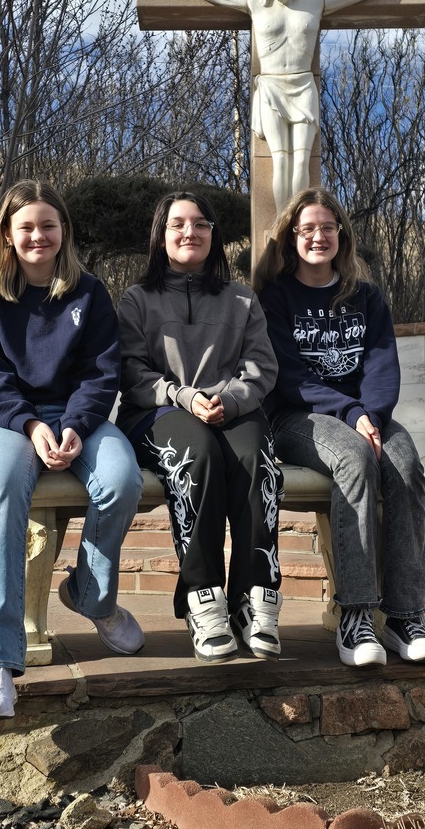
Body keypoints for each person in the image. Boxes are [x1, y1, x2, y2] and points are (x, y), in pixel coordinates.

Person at [0, 180, 144, 725]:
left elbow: (100, 372)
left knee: (122, 478)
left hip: (77, 418)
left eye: (48, 225)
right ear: (8, 236)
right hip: (5, 419)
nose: (38, 235)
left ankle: (91, 597)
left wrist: (76, 425)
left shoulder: (89, 293)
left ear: (63, 231)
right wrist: (31, 424)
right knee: (4, 488)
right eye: (26, 227)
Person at [254, 187, 425, 667]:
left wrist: (371, 415)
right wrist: (352, 414)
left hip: (367, 415)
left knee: (406, 466)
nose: (319, 236)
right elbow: (288, 375)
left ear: (342, 233)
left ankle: (404, 616)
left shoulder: (366, 296)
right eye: (308, 228)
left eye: (328, 227)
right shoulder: (274, 297)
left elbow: (382, 366)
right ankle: (355, 614)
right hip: (296, 416)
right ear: (291, 237)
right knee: (354, 460)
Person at [116, 191, 284, 663]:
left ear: (214, 235)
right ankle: (203, 597)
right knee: (196, 454)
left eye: (201, 224)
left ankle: (256, 598)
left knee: (260, 461)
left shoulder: (241, 299)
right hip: (156, 412)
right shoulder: (136, 300)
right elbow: (130, 372)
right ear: (161, 234)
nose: (190, 232)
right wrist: (184, 396)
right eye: (177, 224)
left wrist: (227, 401)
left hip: (231, 411)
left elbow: (261, 366)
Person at [146, 0, 424, 211]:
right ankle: (283, 223)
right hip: (270, 87)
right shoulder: (255, 2)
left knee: (301, 159)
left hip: (303, 86)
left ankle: (298, 219)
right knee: (280, 160)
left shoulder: (315, 2)